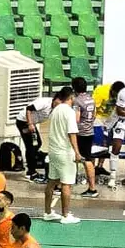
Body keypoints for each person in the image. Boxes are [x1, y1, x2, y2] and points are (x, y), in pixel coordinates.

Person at [43, 87, 82, 224]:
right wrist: (77, 152)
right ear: (71, 97)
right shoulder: (69, 112)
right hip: (65, 153)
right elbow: (72, 133)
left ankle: (48, 212)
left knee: (51, 182)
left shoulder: (55, 110)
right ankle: (65, 216)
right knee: (66, 184)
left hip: (53, 152)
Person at [15, 93, 57, 184]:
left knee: (38, 143)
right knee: (30, 146)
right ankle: (31, 171)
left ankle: (34, 161)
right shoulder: (44, 102)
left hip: (32, 123)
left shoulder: (55, 108)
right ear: (55, 99)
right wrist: (30, 124)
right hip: (24, 122)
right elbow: (29, 109)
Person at [72, 77, 99, 198]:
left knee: (86, 160)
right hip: (90, 131)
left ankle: (92, 188)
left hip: (80, 133)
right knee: (88, 159)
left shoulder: (77, 101)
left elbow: (76, 119)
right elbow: (94, 115)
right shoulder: (91, 99)